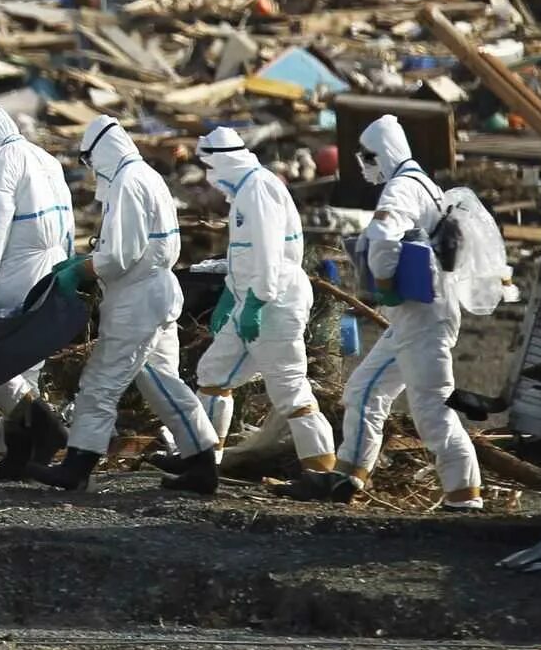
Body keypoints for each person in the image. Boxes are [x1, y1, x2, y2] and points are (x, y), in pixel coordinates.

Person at [31, 114, 220, 494]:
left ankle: (77, 466)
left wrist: (79, 270)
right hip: (156, 293)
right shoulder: (144, 175)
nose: (90, 168)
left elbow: (120, 255)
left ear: (100, 150)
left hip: (137, 300)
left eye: (88, 159)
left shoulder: (127, 183)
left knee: (101, 381)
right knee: (163, 383)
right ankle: (202, 462)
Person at [315, 115, 482, 511]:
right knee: (365, 389)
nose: (365, 166)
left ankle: (464, 494)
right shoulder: (424, 183)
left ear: (383, 155)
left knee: (431, 406)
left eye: (368, 157)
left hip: (423, 316)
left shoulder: (401, 188)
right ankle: (350, 474)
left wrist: (384, 284)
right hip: (419, 315)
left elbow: (383, 237)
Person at [189, 126, 338, 483]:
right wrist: (231, 296)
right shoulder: (244, 192)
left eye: (209, 165)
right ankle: (205, 464)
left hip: (275, 301)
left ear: (221, 160)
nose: (208, 176)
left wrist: (255, 302)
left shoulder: (258, 188)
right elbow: (245, 255)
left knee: (289, 387)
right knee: (213, 374)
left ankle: (322, 473)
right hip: (251, 301)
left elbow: (270, 255)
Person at [0, 97, 74, 479]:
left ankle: (44, 427)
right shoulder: (48, 159)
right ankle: (22, 455)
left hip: (13, 273)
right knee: (26, 362)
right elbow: (70, 225)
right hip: (51, 269)